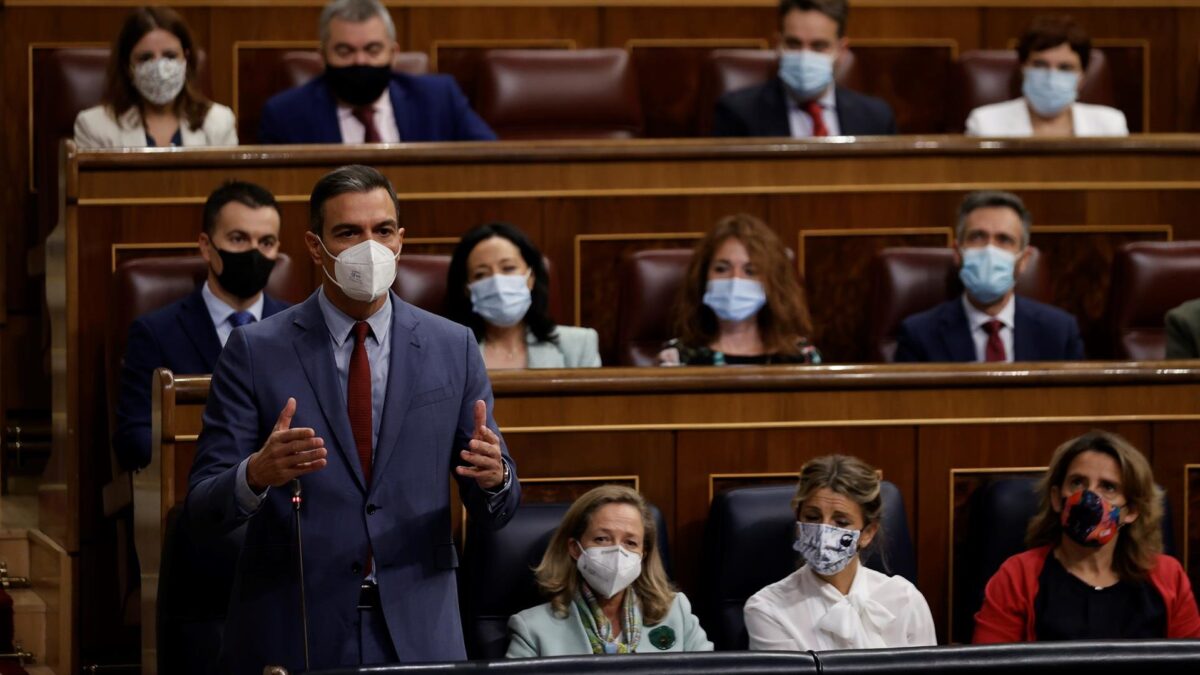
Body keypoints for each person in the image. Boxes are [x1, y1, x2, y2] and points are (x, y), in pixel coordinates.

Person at [186, 165, 520, 673]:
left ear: (401, 240)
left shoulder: (452, 346)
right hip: (295, 629)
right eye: (348, 232)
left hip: (419, 631)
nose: (371, 246)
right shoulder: (255, 350)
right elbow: (204, 506)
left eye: (382, 231)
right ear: (316, 247)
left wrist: (496, 479)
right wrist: (256, 474)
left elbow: (498, 507)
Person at [113, 180, 288, 471]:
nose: (253, 252)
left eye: (266, 242)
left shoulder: (297, 328)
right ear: (206, 246)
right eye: (238, 239)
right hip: (195, 493)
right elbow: (134, 437)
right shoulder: (156, 333)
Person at [974, 430, 1200, 642]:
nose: (1089, 496)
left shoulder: (1168, 577)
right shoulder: (1018, 577)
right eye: (1077, 483)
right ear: (1056, 498)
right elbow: (988, 666)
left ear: (1131, 511)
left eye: (1108, 487)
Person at [744, 455, 935, 650]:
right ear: (798, 521)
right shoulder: (768, 608)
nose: (823, 532)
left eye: (841, 522)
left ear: (867, 533)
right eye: (812, 517)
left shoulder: (905, 599)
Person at [506, 485, 712, 656]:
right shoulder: (531, 629)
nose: (617, 551)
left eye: (630, 542)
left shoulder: (677, 612)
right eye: (602, 539)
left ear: (644, 554)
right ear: (575, 548)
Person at [258, 0, 495, 144]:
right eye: (344, 50)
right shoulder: (285, 115)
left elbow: (494, 161)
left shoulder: (440, 98)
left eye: (372, 49)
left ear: (393, 53)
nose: (360, 60)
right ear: (322, 56)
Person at [894, 191, 1085, 362]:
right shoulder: (919, 334)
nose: (990, 250)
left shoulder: (1060, 332)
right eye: (977, 237)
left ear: (1024, 259)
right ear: (957, 252)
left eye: (1004, 239)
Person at [712, 0, 896, 138]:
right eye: (793, 44)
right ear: (778, 45)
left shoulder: (876, 118)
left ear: (841, 51)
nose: (804, 56)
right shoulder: (738, 114)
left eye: (818, 46)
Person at [658, 214, 821, 366]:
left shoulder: (801, 357)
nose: (735, 279)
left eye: (750, 271)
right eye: (721, 269)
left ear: (773, 283)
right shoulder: (678, 357)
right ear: (703, 277)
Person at [75, 6, 237, 148]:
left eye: (170, 56)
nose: (160, 68)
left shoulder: (219, 121)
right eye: (145, 58)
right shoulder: (94, 126)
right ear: (128, 66)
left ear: (185, 59)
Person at [446, 222, 600, 369]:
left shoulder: (579, 345)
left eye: (508, 268)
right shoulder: (449, 352)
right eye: (481, 274)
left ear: (531, 278)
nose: (497, 283)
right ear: (467, 288)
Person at [965, 16, 1127, 137]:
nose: (1051, 77)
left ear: (1082, 77)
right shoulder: (985, 125)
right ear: (1023, 69)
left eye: (1065, 68)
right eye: (1040, 65)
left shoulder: (1110, 126)